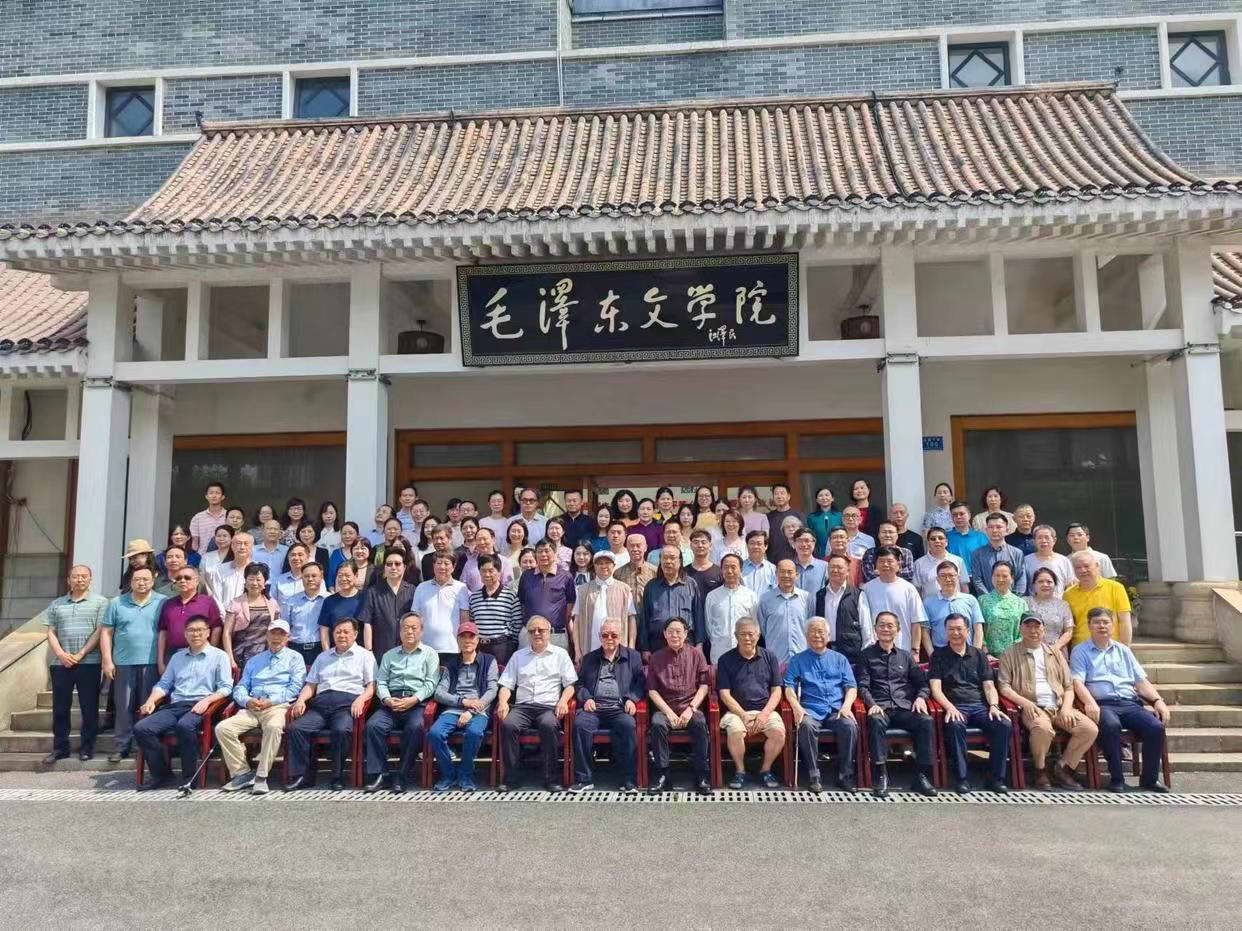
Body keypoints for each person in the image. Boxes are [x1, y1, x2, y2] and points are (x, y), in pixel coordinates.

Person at [1071, 607, 1170, 792]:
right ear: (1089, 626)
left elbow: (1141, 682)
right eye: (1097, 623)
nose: (1102, 626)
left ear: (1113, 625)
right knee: (1111, 726)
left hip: (1129, 703)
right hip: (1102, 704)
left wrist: (1158, 701)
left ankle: (1149, 779)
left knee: (1155, 727)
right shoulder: (1080, 651)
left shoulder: (1123, 650)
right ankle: (1117, 779)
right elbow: (1077, 682)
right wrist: (1089, 702)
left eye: (1105, 622)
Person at [132, 616, 232, 790]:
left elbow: (226, 688)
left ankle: (189, 778)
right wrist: (151, 700)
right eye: (191, 630)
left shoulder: (219, 656)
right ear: (185, 634)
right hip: (176, 705)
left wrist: (207, 700)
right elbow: (164, 684)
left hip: (202, 705)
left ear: (208, 632)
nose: (196, 634)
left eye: (200, 630)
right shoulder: (177, 657)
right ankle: (162, 775)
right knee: (142, 728)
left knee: (185, 726)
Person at [998, 614, 1097, 791]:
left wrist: (1066, 708)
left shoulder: (1055, 653)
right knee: (1042, 729)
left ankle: (1063, 768)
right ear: (1020, 629)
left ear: (1044, 630)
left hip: (1058, 705)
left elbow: (1068, 686)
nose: (1033, 630)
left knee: (1089, 729)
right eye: (1028, 626)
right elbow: (1004, 687)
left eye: (1037, 626)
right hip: (1032, 707)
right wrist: (1025, 703)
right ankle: (1040, 770)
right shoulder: (1010, 653)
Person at [285, 616, 377, 791]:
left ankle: (337, 776)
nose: (342, 635)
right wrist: (301, 700)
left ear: (355, 634)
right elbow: (311, 685)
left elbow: (371, 687)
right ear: (333, 634)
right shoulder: (323, 657)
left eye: (346, 632)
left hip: (347, 704)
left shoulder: (365, 656)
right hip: (321, 705)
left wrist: (361, 699)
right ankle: (304, 776)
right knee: (296, 728)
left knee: (341, 730)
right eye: (338, 632)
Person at [217, 619, 306, 795]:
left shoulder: (295, 658)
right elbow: (241, 686)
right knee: (223, 728)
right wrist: (246, 700)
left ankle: (261, 776)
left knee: (273, 727)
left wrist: (271, 701)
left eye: (281, 634)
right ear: (266, 635)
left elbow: (295, 688)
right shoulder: (255, 660)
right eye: (273, 633)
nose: (276, 637)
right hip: (252, 707)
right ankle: (243, 773)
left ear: (288, 637)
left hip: (277, 707)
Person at [855, 612, 937, 797]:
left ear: (898, 630)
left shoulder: (906, 656)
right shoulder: (865, 656)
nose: (886, 629)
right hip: (880, 707)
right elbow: (862, 686)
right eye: (882, 625)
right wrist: (871, 704)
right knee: (876, 721)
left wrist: (921, 698)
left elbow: (922, 684)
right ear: (875, 630)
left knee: (926, 721)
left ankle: (922, 776)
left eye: (890, 626)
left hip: (904, 708)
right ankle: (881, 775)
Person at [929, 614, 1012, 794]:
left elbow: (989, 686)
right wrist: (949, 708)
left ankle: (996, 778)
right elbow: (936, 689)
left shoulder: (978, 654)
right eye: (951, 629)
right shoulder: (938, 655)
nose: (955, 633)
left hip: (980, 706)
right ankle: (962, 778)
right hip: (954, 706)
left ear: (967, 631)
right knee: (955, 725)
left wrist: (994, 706)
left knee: (1003, 724)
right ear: (945, 631)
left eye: (959, 629)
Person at [496, 616, 577, 792]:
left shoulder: (560, 654)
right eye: (532, 631)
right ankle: (512, 779)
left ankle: (551, 779)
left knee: (549, 725)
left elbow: (570, 685)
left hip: (548, 707)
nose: (537, 633)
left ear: (549, 632)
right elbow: (506, 685)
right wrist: (502, 702)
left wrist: (563, 701)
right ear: (528, 634)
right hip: (523, 707)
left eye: (541, 630)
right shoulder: (518, 656)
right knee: (509, 725)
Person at [363, 612, 440, 793]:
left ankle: (402, 775)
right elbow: (381, 681)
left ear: (421, 631)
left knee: (416, 727)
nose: (409, 631)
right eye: (405, 628)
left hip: (416, 702)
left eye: (414, 628)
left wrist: (414, 699)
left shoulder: (430, 654)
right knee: (373, 725)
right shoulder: (389, 655)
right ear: (400, 631)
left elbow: (431, 683)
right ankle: (381, 774)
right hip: (391, 702)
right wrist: (387, 699)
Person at [101, 565, 169, 763]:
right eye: (137, 579)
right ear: (130, 582)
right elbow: (106, 632)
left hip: (152, 663)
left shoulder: (163, 602)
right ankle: (121, 746)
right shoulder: (117, 603)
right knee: (123, 707)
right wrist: (107, 660)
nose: (141, 583)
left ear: (153, 581)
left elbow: (166, 632)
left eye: (145, 579)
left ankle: (143, 747)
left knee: (147, 706)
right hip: (123, 663)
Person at [43, 565, 108, 765]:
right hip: (61, 664)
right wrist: (61, 654)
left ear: (90, 580)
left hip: (89, 663)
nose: (80, 579)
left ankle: (87, 747)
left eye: (84, 576)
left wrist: (80, 654)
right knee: (60, 708)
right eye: (75, 576)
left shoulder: (101, 602)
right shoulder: (56, 604)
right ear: (68, 580)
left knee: (89, 707)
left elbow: (100, 631)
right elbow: (50, 632)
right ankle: (60, 748)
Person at [571, 618, 645, 793]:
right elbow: (579, 684)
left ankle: (628, 780)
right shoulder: (589, 658)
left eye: (614, 635)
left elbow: (641, 682)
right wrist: (586, 698)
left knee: (628, 725)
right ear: (599, 636)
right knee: (580, 724)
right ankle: (584, 780)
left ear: (621, 636)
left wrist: (631, 699)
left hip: (619, 708)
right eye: (605, 635)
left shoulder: (633, 657)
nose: (609, 638)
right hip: (594, 708)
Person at [784, 617, 858, 793]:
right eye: (812, 632)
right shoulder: (797, 660)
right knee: (806, 725)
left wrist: (846, 706)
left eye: (820, 632)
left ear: (828, 635)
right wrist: (796, 707)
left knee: (849, 726)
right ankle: (813, 775)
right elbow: (789, 687)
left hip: (836, 710)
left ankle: (845, 775)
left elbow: (851, 686)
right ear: (806, 636)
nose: (817, 635)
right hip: (810, 709)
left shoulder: (840, 659)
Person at [428, 621, 498, 792]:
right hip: (453, 708)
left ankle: (466, 775)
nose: (467, 640)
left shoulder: (489, 661)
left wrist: (472, 710)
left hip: (479, 710)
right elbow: (439, 693)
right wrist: (462, 702)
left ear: (477, 640)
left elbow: (492, 690)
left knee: (474, 733)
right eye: (463, 637)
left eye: (471, 637)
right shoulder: (451, 663)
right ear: (457, 640)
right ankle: (449, 774)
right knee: (434, 734)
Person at [645, 617, 712, 796]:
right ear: (664, 634)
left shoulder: (696, 654)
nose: (674, 635)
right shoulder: (656, 657)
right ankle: (662, 774)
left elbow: (704, 686)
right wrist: (668, 712)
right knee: (657, 724)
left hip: (690, 706)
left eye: (678, 631)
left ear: (686, 633)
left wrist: (691, 709)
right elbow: (652, 690)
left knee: (700, 723)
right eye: (670, 631)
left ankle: (701, 775)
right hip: (665, 708)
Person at [717, 617, 785, 789]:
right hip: (736, 712)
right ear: (735, 636)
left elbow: (777, 690)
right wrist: (743, 715)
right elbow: (724, 694)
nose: (747, 638)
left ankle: (765, 770)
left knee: (778, 732)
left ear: (758, 635)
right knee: (735, 731)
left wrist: (764, 714)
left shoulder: (769, 657)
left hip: (764, 710)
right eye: (742, 634)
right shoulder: (725, 659)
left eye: (750, 634)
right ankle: (740, 771)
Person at [638, 545, 701, 656]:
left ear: (680, 561)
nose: (668, 561)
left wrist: (700, 643)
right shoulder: (651, 586)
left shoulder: (690, 584)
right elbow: (645, 619)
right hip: (657, 645)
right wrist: (645, 648)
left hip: (686, 644)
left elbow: (698, 615)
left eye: (672, 558)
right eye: (664, 558)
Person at [860, 548, 925, 655]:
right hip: (874, 650)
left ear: (898, 565)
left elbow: (916, 621)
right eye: (881, 561)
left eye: (890, 561)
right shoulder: (867, 589)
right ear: (875, 565)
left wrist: (915, 650)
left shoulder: (909, 588)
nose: (885, 564)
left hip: (903, 649)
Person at [517, 540, 577, 655]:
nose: (543, 555)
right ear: (535, 555)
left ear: (555, 553)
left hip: (556, 635)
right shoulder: (526, 576)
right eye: (540, 551)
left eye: (547, 551)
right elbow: (523, 604)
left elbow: (569, 609)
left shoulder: (566, 577)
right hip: (529, 635)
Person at [572, 550, 637, 654]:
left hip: (618, 651)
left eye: (607, 563)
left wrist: (631, 647)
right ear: (594, 566)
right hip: (589, 649)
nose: (604, 566)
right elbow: (577, 621)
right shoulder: (583, 590)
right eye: (600, 563)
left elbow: (631, 619)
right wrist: (577, 650)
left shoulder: (624, 589)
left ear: (614, 565)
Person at [156, 566, 221, 669]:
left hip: (200, 654)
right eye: (179, 578)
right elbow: (163, 633)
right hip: (172, 656)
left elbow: (216, 628)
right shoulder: (168, 604)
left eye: (187, 578)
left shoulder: (208, 602)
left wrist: (211, 653)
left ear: (197, 581)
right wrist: (160, 661)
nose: (182, 581)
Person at [464, 554, 524, 665]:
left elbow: (517, 623)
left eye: (491, 571)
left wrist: (511, 645)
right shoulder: (474, 597)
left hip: (502, 647)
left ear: (499, 572)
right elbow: (472, 622)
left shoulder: (510, 596)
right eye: (483, 571)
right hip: (480, 647)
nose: (487, 574)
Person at [1063, 551, 1132, 647]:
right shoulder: (1068, 594)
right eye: (1078, 567)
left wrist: (1125, 648)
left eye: (1086, 566)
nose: (1083, 570)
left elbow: (1124, 621)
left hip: (1110, 647)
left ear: (1097, 566)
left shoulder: (1116, 588)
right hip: (1080, 649)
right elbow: (1068, 627)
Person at [359, 549, 417, 659]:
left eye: (397, 564)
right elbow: (367, 623)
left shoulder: (412, 591)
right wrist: (369, 652)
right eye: (389, 564)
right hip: (381, 652)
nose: (393, 567)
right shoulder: (373, 592)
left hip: (408, 652)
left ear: (404, 567)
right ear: (384, 568)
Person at [222, 563, 279, 673]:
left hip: (265, 655)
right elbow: (226, 633)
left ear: (265, 582)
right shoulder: (235, 603)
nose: (254, 583)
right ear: (245, 581)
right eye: (251, 579)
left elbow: (276, 632)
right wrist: (230, 658)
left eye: (258, 579)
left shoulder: (272, 603)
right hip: (240, 655)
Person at [412, 553, 470, 660]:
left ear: (453, 567)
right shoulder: (421, 587)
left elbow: (464, 619)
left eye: (446, 563)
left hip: (452, 648)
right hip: (425, 648)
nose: (442, 567)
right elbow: (415, 618)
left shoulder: (461, 588)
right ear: (433, 566)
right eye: (438, 563)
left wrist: (464, 645)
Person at [703, 554, 759, 662]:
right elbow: (709, 626)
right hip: (720, 652)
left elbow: (755, 624)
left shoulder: (750, 595)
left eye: (733, 567)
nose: (729, 571)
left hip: (745, 652)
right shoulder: (712, 596)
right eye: (726, 567)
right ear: (721, 570)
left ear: (741, 570)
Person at [756, 559, 812, 664]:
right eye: (782, 571)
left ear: (796, 575)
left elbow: (810, 625)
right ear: (776, 574)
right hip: (776, 658)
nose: (786, 575)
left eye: (790, 572)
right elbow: (763, 629)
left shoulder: (806, 598)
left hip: (801, 657)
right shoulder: (765, 599)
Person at [814, 554, 866, 664]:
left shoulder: (858, 595)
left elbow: (866, 628)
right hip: (825, 653)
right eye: (832, 567)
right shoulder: (820, 595)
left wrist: (864, 657)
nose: (835, 570)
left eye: (839, 567)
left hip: (851, 656)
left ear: (847, 571)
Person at [922, 560, 984, 652]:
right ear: (937, 579)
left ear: (958, 577)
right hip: (940, 653)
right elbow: (925, 632)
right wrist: (932, 655)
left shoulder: (971, 600)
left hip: (968, 652)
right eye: (943, 576)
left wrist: (976, 653)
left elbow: (978, 628)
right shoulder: (928, 603)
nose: (948, 579)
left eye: (951, 575)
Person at [970, 513, 1028, 596]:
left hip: (1012, 601)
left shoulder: (1017, 553)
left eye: (998, 527)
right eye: (991, 527)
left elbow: (1021, 579)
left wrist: (1013, 599)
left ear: (1007, 530)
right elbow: (977, 580)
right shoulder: (977, 554)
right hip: (986, 601)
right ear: (986, 530)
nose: (994, 530)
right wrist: (988, 599)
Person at [283, 561, 329, 666]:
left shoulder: (329, 600)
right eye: (306, 576)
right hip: (295, 648)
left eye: (314, 576)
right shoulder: (291, 601)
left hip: (320, 648)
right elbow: (285, 627)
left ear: (321, 577)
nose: (310, 579)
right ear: (301, 578)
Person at [979, 561, 1026, 658]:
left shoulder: (1021, 603)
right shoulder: (982, 601)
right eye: (997, 575)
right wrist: (986, 652)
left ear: (1012, 579)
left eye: (1005, 576)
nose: (1000, 579)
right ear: (992, 577)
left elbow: (1024, 631)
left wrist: (1013, 653)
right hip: (988, 657)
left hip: (1015, 656)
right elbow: (978, 629)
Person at [1024, 567, 1074, 652]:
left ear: (1055, 584)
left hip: (1057, 651)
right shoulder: (1025, 602)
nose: (1045, 584)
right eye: (1040, 581)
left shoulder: (1063, 605)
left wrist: (1054, 648)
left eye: (1049, 582)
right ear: (1034, 585)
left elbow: (1068, 632)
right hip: (1030, 650)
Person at [206, 531, 255, 617]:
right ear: (232, 546)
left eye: (246, 544)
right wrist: (226, 618)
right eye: (238, 543)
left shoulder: (258, 570)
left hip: (251, 619)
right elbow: (217, 597)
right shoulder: (220, 570)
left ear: (252, 547)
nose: (242, 547)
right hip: (225, 617)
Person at [319, 561, 365, 645]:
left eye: (347, 576)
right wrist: (327, 651)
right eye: (340, 576)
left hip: (360, 650)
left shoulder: (365, 599)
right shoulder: (329, 601)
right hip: (335, 649)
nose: (343, 579)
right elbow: (324, 629)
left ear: (356, 576)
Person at [913, 527, 967, 599]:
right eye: (933, 539)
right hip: (929, 605)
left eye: (940, 538)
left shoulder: (958, 561)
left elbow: (964, 586)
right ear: (928, 542)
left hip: (955, 604)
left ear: (946, 542)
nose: (937, 541)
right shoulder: (919, 564)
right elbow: (917, 590)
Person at [456, 527, 513, 592]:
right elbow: (463, 585)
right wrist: (474, 596)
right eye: (479, 540)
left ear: (493, 540)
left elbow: (508, 585)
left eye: (485, 539)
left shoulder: (504, 562)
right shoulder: (470, 562)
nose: (482, 542)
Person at [1023, 524, 1075, 596]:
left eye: (1047, 537)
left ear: (1054, 540)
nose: (1043, 541)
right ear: (1034, 541)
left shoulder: (1064, 560)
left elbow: (1070, 585)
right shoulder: (1026, 560)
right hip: (1033, 602)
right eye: (1040, 538)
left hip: (1058, 602)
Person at [615, 533, 656, 617]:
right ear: (627, 548)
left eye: (638, 545)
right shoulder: (618, 573)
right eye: (631, 546)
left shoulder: (655, 572)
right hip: (626, 617)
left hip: (649, 617)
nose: (635, 549)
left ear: (645, 548)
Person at [189, 482, 228, 553]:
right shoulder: (198, 518)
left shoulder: (229, 516)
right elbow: (195, 542)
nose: (214, 496)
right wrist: (194, 556)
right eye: (211, 493)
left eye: (217, 493)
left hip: (225, 557)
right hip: (202, 556)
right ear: (206, 496)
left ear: (223, 497)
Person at [805, 486, 843, 558]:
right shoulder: (811, 517)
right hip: (818, 553)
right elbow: (809, 536)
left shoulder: (840, 516)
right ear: (816, 500)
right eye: (820, 495)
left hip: (837, 551)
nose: (824, 498)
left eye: (827, 495)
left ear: (832, 498)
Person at [790, 528, 828, 595]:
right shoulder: (788, 566)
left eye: (807, 541)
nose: (804, 544)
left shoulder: (825, 567)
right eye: (799, 541)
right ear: (794, 544)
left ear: (814, 543)